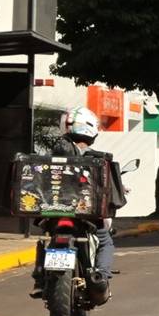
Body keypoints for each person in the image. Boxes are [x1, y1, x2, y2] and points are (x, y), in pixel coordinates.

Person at [52, 107, 127, 304]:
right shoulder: (98, 159)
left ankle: (39, 274)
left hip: (54, 212)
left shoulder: (51, 158)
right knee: (104, 239)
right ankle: (100, 276)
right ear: (91, 130)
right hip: (87, 215)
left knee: (46, 237)